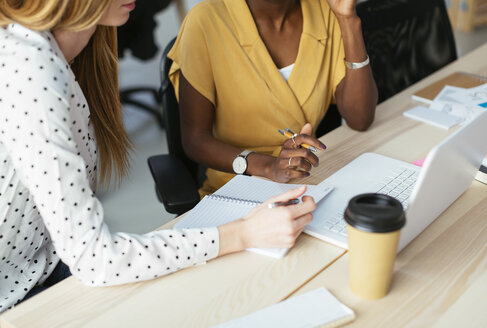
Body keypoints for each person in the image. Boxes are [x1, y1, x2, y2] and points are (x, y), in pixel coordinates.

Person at [0, 0, 316, 312]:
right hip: (14, 295)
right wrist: (244, 233)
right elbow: (97, 260)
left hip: (43, 264)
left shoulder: (67, 52)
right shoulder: (30, 68)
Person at [168, 0, 378, 197]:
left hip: (309, 183)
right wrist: (269, 166)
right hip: (236, 191)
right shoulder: (205, 20)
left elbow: (360, 118)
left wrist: (348, 20)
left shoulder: (325, 10)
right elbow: (195, 140)